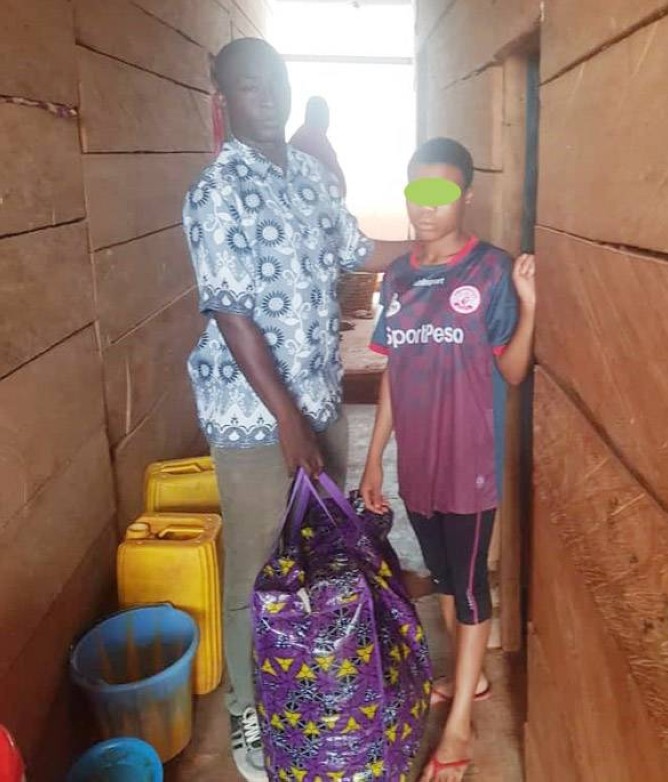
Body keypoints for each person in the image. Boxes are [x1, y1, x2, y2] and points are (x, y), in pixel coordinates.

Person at [181, 37, 410, 782]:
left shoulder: (311, 177)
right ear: (226, 100)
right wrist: (287, 423)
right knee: (255, 564)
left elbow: (356, 250)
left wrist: (440, 255)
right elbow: (232, 313)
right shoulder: (216, 194)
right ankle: (250, 708)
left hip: (318, 398)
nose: (268, 98)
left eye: (274, 83)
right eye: (250, 88)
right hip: (254, 418)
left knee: (317, 552)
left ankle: (306, 682)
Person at [359, 137, 536, 782]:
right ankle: (473, 680)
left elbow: (512, 372)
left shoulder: (490, 270)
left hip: (470, 461)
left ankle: (459, 722)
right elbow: (391, 372)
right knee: (438, 571)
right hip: (419, 464)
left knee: (466, 588)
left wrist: (531, 304)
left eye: (440, 193)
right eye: (415, 191)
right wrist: (375, 457)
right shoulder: (400, 275)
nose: (425, 206)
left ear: (466, 194)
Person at [289, 96, 347, 196]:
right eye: (325, 114)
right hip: (312, 197)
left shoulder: (302, 135)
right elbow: (334, 169)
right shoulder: (313, 137)